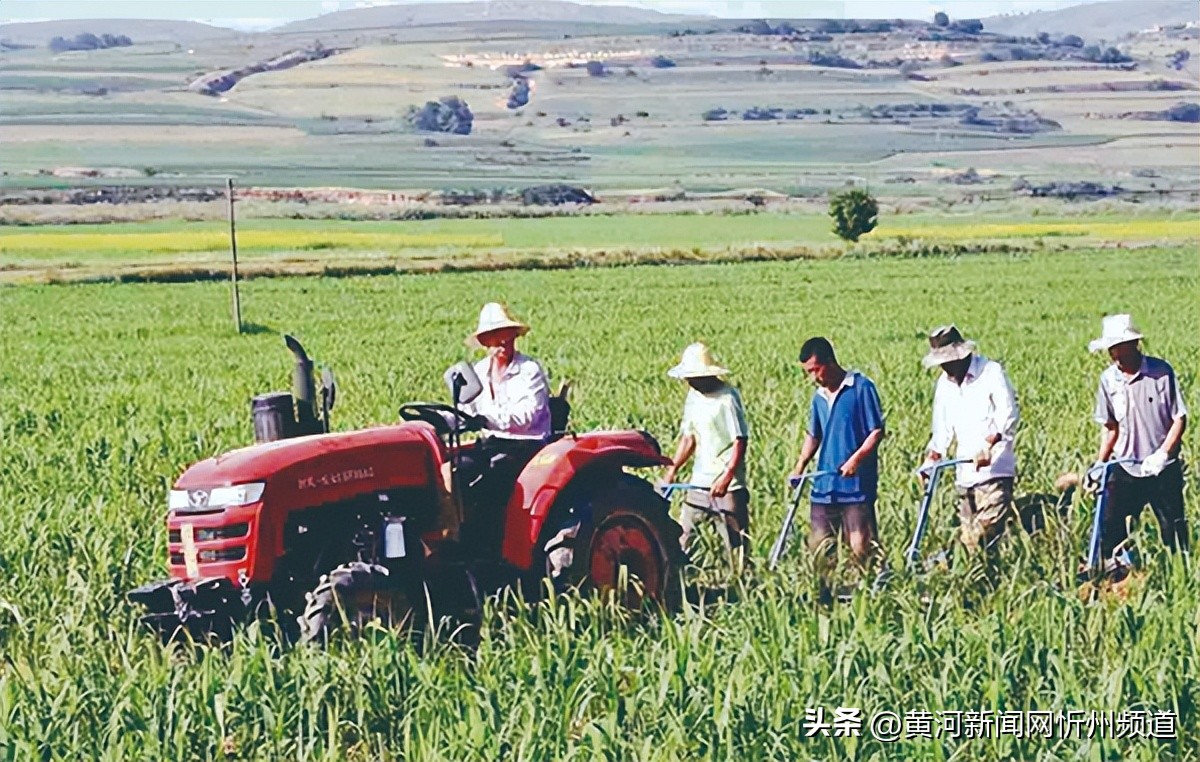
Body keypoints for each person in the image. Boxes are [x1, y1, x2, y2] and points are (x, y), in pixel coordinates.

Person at [787, 337, 886, 592]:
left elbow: (876, 432)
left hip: (855, 486)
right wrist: (799, 467)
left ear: (830, 362)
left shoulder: (861, 388)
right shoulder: (819, 398)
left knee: (861, 546)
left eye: (815, 370)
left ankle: (867, 591)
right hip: (824, 485)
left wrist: (856, 460)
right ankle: (825, 594)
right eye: (808, 372)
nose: (813, 378)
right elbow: (814, 435)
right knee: (820, 547)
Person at [1090, 313, 1188, 562]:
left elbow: (1179, 418)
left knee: (1173, 531)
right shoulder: (1108, 380)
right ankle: (1115, 571)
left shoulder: (1161, 372)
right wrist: (1100, 463)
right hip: (1125, 466)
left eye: (1118, 347)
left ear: (1133, 344)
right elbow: (1111, 427)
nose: (1114, 354)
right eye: (1111, 349)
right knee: (1110, 528)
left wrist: (1163, 454)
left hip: (1161, 468)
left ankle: (1177, 573)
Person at [454, 303, 551, 548]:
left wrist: (486, 418)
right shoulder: (478, 372)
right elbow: (468, 409)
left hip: (526, 446)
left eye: (508, 334)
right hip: (491, 444)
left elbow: (527, 415)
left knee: (492, 476)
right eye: (497, 335)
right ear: (485, 341)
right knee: (455, 469)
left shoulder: (529, 371)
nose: (504, 341)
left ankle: (488, 545)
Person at [919, 325, 1020, 554]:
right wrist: (931, 460)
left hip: (994, 471)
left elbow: (1008, 414)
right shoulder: (944, 384)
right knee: (973, 548)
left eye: (948, 361)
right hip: (965, 475)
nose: (945, 367)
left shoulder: (990, 372)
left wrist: (989, 446)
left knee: (982, 536)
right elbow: (941, 431)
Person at [661, 343, 751, 569]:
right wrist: (672, 468)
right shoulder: (693, 397)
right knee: (684, 538)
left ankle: (740, 580)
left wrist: (727, 477)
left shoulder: (727, 398)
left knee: (734, 545)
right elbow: (688, 438)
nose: (689, 382)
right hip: (699, 482)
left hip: (727, 486)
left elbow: (740, 440)